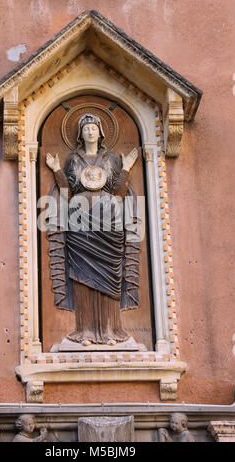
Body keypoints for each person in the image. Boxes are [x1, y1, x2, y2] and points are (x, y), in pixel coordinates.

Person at [46, 113, 140, 346]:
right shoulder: (73, 160)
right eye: (86, 128)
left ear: (101, 133)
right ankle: (84, 331)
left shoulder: (111, 160)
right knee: (82, 275)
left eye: (93, 128)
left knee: (110, 275)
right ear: (80, 134)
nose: (90, 131)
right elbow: (67, 193)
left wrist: (126, 168)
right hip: (79, 223)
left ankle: (111, 331)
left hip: (109, 223)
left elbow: (119, 193)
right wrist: (57, 169)